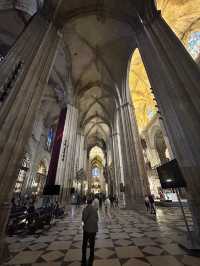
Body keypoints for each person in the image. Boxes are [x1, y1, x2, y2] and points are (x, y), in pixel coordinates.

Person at [82, 198, 98, 266]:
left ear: (87, 202)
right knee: (92, 244)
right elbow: (97, 218)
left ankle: (83, 258)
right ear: (91, 202)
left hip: (87, 229)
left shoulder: (85, 209)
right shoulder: (95, 209)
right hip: (93, 229)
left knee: (84, 244)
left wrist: (83, 224)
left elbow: (83, 219)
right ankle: (91, 257)